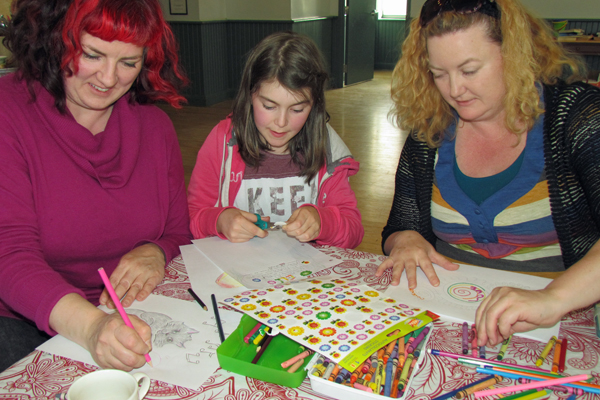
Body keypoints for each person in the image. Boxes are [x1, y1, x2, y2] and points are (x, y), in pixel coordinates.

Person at [376, 0, 600, 345]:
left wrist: (554, 298)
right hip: (448, 316)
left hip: (557, 324)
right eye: (439, 74)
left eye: (469, 70)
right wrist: (405, 240)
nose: (454, 90)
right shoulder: (428, 133)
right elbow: (400, 226)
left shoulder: (576, 117)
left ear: (513, 55)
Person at [0, 0, 192, 371]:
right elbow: (9, 256)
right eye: (92, 54)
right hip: (23, 319)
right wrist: (92, 327)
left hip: (131, 311)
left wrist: (155, 251)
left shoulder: (155, 127)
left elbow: (177, 231)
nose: (107, 78)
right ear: (55, 41)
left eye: (128, 63)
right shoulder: (8, 113)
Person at [187, 31, 363, 248]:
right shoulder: (222, 143)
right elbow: (193, 218)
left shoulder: (328, 148)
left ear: (315, 105)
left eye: (297, 109)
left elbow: (354, 230)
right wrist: (219, 220)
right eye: (269, 106)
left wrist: (323, 222)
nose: (281, 122)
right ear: (250, 94)